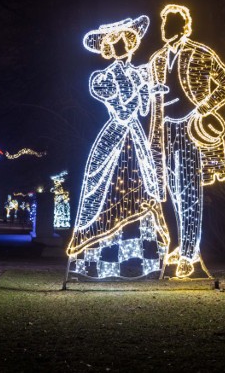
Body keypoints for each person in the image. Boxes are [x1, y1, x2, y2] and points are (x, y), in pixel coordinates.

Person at [65, 15, 170, 281]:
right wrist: (141, 86)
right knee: (105, 191)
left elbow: (144, 109)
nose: (124, 43)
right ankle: (94, 262)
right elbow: (123, 111)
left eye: (127, 38)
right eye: (117, 40)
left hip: (135, 137)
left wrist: (152, 89)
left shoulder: (138, 73)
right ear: (110, 47)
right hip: (115, 136)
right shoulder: (103, 78)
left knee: (142, 191)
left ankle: (145, 261)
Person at [148, 4, 225, 278]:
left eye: (168, 24)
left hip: (191, 129)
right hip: (165, 130)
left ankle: (189, 252)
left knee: (190, 191)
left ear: (181, 26)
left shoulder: (199, 53)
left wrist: (203, 107)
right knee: (173, 192)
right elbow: (152, 101)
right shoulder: (157, 59)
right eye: (163, 25)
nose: (163, 29)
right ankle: (180, 245)